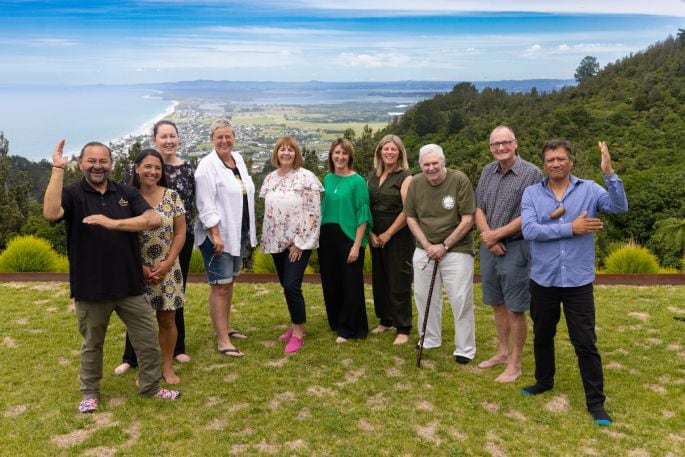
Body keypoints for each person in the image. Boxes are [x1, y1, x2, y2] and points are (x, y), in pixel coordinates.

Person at [43, 139, 180, 414]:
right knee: (92, 344)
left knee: (147, 338)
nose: (97, 166)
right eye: (91, 161)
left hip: (130, 284)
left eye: (103, 161)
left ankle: (151, 387)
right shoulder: (72, 193)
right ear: (81, 164)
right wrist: (57, 169)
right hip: (90, 287)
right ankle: (90, 392)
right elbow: (50, 213)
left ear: (111, 164)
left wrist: (113, 223)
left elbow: (153, 219)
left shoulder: (126, 192)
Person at [520, 140, 628, 426]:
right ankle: (543, 381)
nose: (555, 163)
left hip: (578, 280)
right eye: (549, 159)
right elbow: (530, 230)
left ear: (571, 161)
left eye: (560, 158)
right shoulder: (532, 192)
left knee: (585, 342)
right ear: (544, 163)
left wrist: (609, 173)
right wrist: (572, 228)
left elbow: (619, 207)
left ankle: (596, 403)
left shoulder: (590, 189)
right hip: (543, 278)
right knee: (542, 335)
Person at [114, 120, 194, 378]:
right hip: (135, 268)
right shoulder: (125, 197)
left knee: (168, 320)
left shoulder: (172, 197)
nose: (152, 171)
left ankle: (167, 367)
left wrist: (168, 262)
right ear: (137, 168)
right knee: (139, 323)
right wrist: (141, 266)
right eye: (147, 166)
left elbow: (180, 231)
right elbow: (122, 235)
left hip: (167, 267)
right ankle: (142, 366)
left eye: (157, 168)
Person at [475, 125, 543, 383]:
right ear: (491, 147)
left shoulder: (531, 173)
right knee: (497, 303)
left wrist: (497, 234)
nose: (500, 148)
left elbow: (531, 215)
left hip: (516, 246)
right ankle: (502, 353)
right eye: (495, 144)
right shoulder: (487, 172)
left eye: (505, 142)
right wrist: (488, 237)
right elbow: (478, 207)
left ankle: (515, 363)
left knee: (515, 307)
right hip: (490, 246)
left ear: (515, 144)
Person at [404, 144, 476, 364]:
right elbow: (411, 218)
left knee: (460, 298)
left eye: (435, 163)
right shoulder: (415, 183)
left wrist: (444, 245)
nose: (431, 168)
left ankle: (464, 348)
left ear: (443, 162)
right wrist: (427, 245)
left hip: (457, 249)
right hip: (424, 248)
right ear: (421, 166)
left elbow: (468, 219)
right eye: (426, 164)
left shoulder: (459, 179)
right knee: (424, 297)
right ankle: (429, 339)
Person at [195, 119, 257, 357]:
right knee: (219, 287)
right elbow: (205, 205)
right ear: (212, 139)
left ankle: (227, 327)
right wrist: (216, 234)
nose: (224, 141)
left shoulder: (237, 160)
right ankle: (222, 340)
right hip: (218, 237)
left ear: (234, 138)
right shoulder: (206, 166)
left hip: (237, 231)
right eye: (219, 137)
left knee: (229, 283)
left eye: (228, 136)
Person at [259, 136, 323, 353]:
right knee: (285, 285)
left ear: (296, 154)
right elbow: (269, 212)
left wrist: (300, 243)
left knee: (292, 285)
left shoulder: (306, 177)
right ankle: (295, 323)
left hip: (298, 242)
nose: (286, 153)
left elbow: (314, 214)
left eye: (290, 150)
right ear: (276, 153)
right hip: (276, 242)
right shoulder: (269, 179)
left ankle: (298, 332)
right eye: (282, 149)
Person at [319, 138, 373, 343]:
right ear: (331, 155)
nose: (340, 157)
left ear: (350, 157)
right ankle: (336, 321)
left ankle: (349, 328)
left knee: (351, 284)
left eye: (344, 153)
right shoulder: (327, 179)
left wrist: (357, 245)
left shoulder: (357, 181)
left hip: (349, 238)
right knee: (331, 282)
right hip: (327, 237)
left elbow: (363, 215)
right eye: (336, 153)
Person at [367, 134, 413, 345]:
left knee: (399, 280)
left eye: (393, 149)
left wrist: (389, 233)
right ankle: (385, 320)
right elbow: (366, 207)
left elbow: (407, 210)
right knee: (381, 279)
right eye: (386, 149)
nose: (389, 152)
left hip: (398, 235)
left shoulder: (405, 177)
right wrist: (371, 233)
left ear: (400, 153)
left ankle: (403, 327)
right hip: (375, 235)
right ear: (379, 152)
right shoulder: (372, 176)